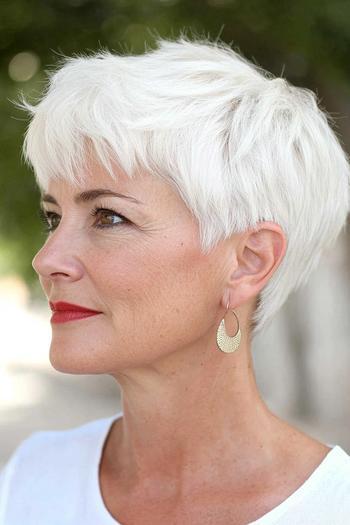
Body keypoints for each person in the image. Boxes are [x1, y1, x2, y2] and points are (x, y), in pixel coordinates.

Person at [1, 36, 350, 525]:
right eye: (53, 218)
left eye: (108, 217)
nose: (47, 259)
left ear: (249, 262)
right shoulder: (29, 479)